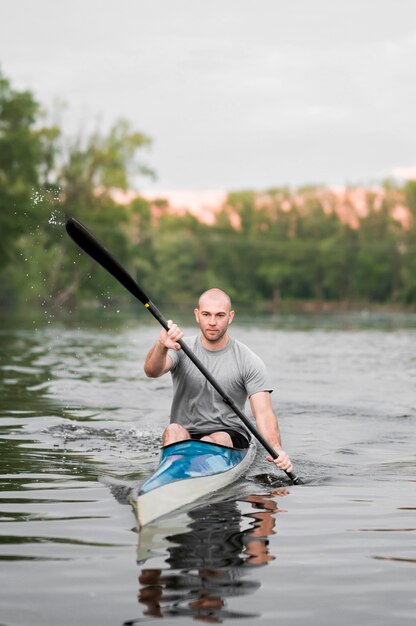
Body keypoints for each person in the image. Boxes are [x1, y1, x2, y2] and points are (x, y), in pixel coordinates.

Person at [144, 288, 292, 473]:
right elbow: (152, 371)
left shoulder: (248, 360)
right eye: (206, 314)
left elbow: (263, 414)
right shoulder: (179, 347)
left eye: (220, 315)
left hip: (230, 435)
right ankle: (172, 475)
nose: (212, 322)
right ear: (197, 315)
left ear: (230, 317)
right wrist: (161, 345)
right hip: (186, 433)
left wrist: (277, 449)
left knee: (213, 440)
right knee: (173, 430)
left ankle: (193, 472)